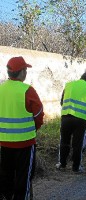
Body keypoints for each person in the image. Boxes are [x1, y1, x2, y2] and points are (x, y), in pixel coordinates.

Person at [0, 56, 44, 199]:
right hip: (25, 143)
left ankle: (7, 196)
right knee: (24, 177)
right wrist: (33, 129)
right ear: (22, 71)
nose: (26, 72)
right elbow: (38, 114)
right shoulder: (27, 90)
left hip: (4, 142)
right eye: (25, 69)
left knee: (6, 174)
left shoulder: (1, 89)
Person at [56, 72, 86, 173]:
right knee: (77, 143)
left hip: (66, 117)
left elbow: (62, 101)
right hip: (81, 120)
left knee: (64, 141)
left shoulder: (68, 85)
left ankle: (62, 164)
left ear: (81, 77)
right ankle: (76, 167)